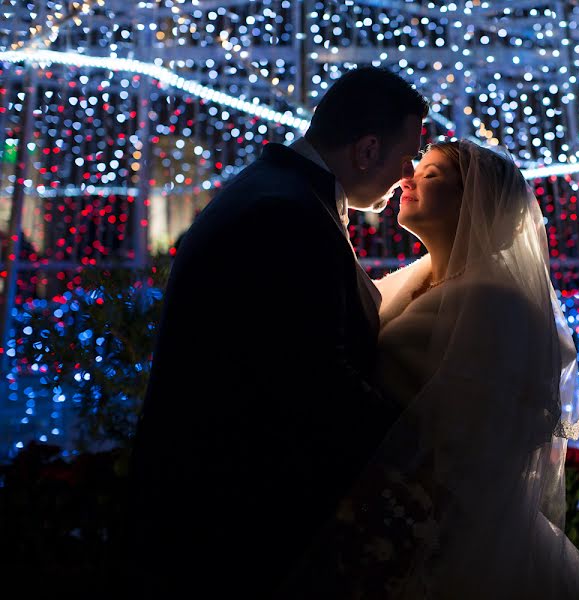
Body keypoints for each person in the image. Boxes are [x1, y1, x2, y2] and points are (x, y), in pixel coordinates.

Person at [125, 67, 428, 597]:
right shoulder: (283, 214)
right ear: (367, 149)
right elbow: (310, 379)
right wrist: (426, 447)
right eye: (407, 160)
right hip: (230, 527)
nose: (409, 176)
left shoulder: (280, 194)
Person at [319, 140, 579, 598]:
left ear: (474, 203)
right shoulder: (405, 282)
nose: (408, 179)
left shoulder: (500, 305)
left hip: (444, 529)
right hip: (388, 512)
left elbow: (490, 435)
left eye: (432, 175)